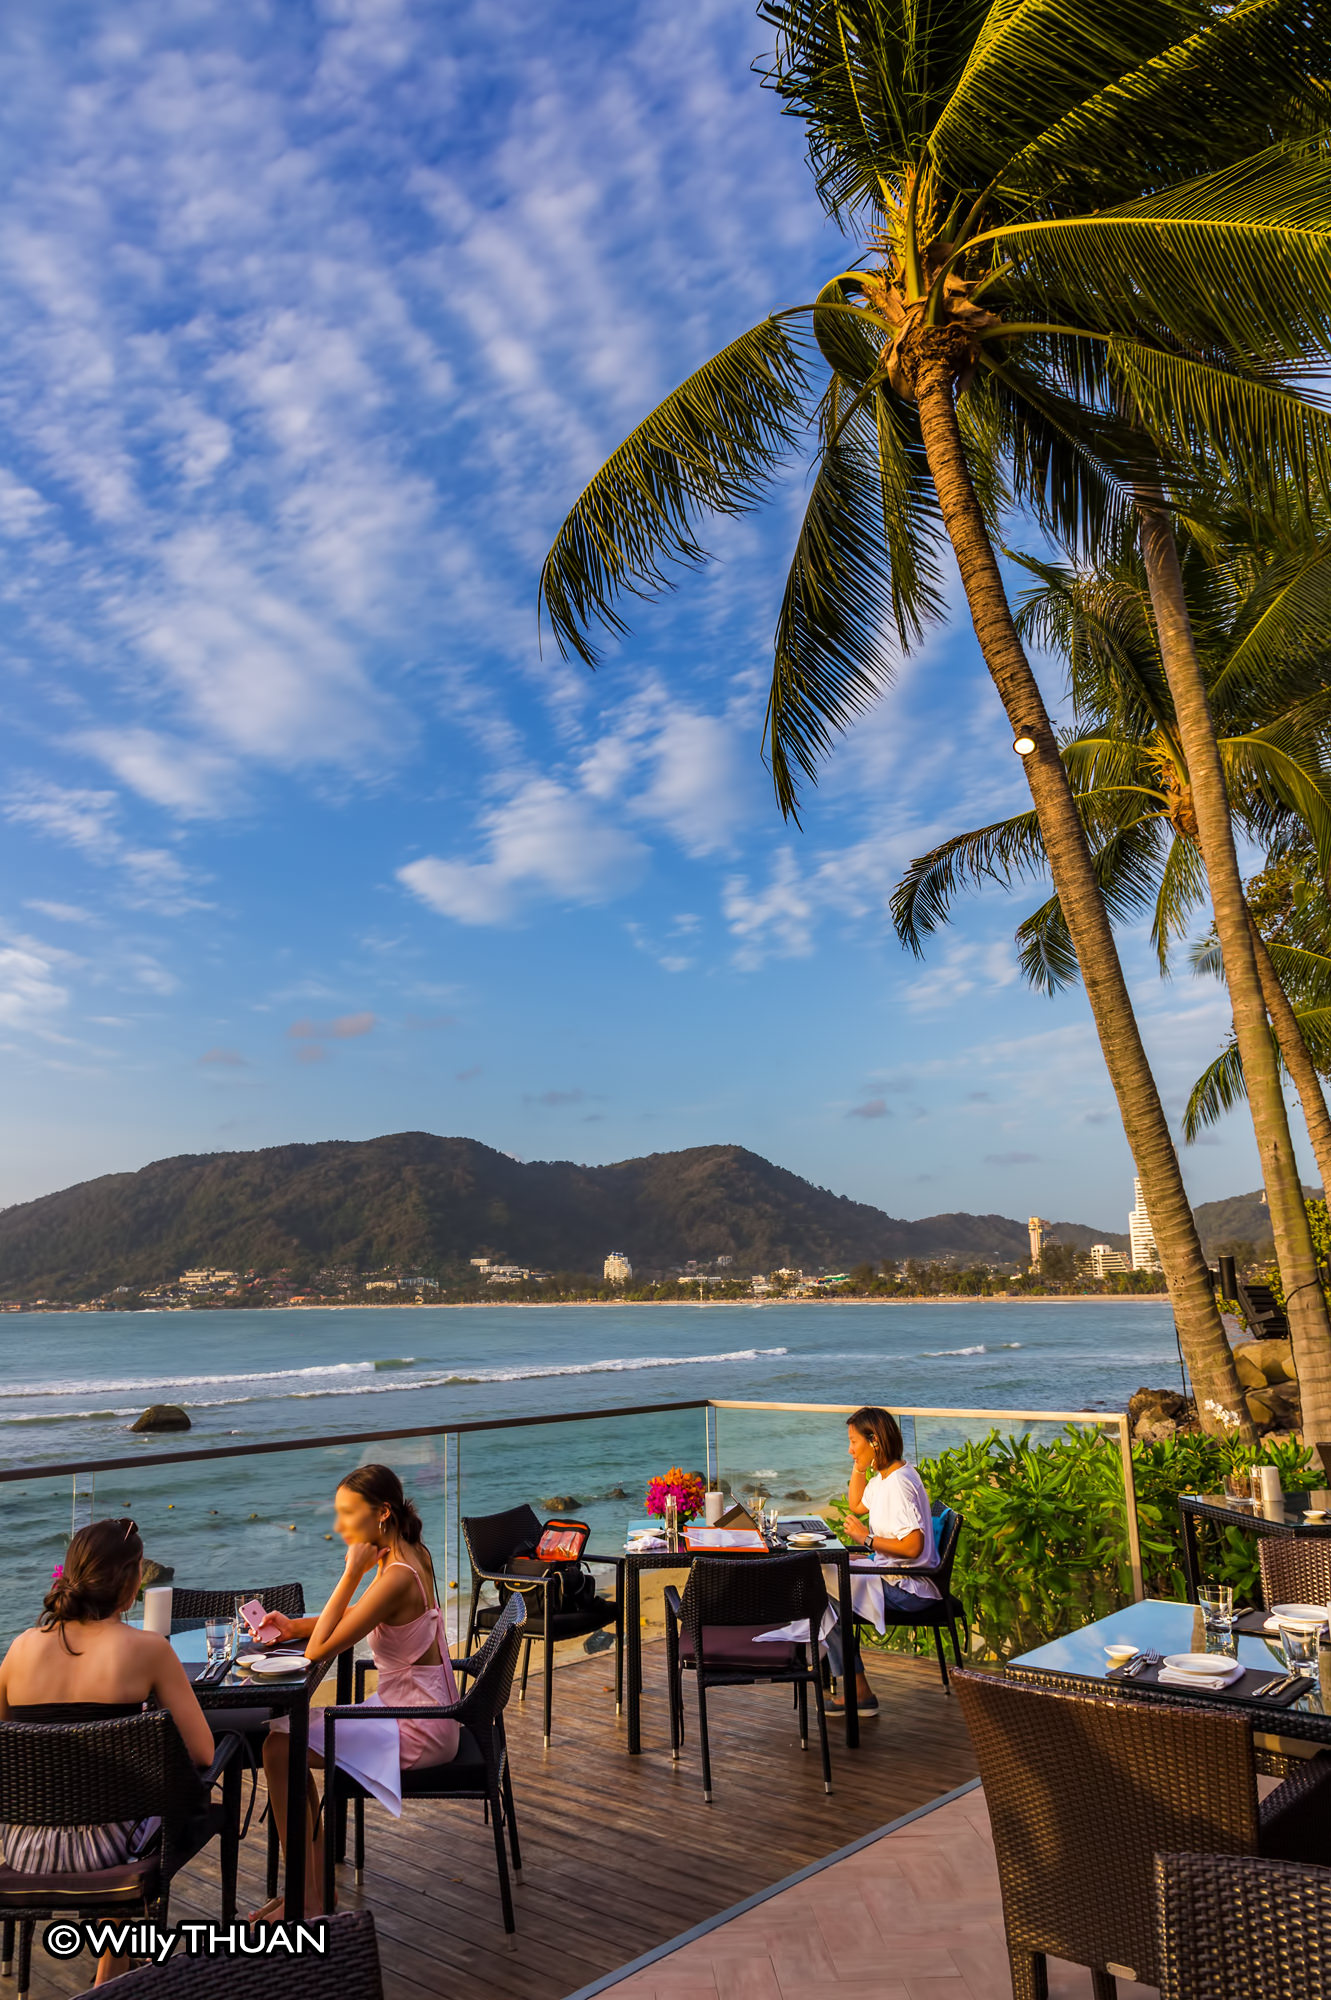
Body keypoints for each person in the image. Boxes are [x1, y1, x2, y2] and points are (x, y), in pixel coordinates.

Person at [0, 1518, 216, 1986]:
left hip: (24, 1849)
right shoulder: (147, 1648)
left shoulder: (18, 1649)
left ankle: (110, 1962)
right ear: (131, 1580)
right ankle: (113, 1966)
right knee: (142, 1803)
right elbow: (202, 1752)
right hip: (108, 1855)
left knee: (107, 1800)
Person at [254, 1463, 459, 1918]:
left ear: (382, 1513)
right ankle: (314, 1892)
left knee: (277, 1747)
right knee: (284, 1743)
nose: (339, 1525)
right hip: (423, 1711)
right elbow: (357, 1618)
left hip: (417, 1727)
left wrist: (350, 1572)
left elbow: (319, 1650)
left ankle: (309, 1901)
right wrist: (293, 1624)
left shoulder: (396, 1575)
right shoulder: (407, 1553)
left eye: (348, 1513)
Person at [824, 1406, 939, 1715]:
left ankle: (855, 1688)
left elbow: (913, 1546)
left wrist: (867, 1540)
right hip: (892, 1575)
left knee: (824, 1596)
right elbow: (857, 1503)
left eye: (853, 1442)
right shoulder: (887, 1476)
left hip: (910, 1588)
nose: (849, 1449)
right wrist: (860, 1465)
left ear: (874, 1441)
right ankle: (853, 1685)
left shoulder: (899, 1484)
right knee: (822, 1580)